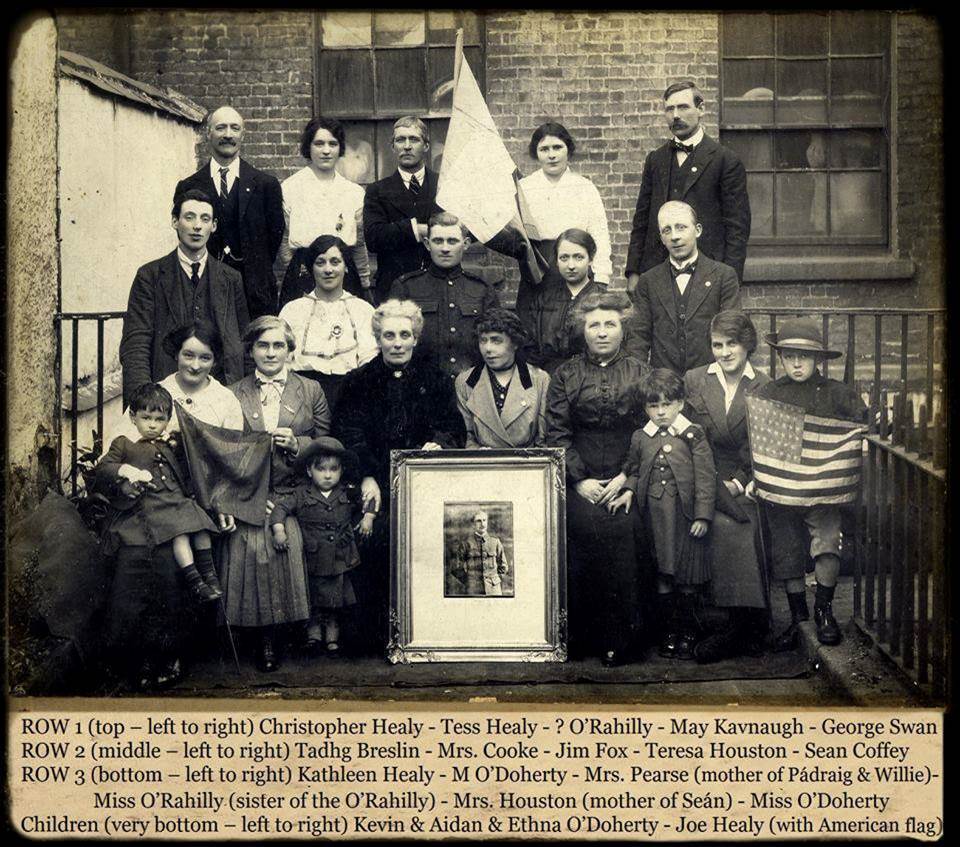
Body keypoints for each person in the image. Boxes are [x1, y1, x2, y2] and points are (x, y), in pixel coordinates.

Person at [100, 323, 243, 691]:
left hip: (193, 501)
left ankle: (170, 650)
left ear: (215, 359)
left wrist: (221, 502)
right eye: (188, 355)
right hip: (144, 505)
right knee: (136, 564)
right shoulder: (155, 395)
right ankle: (136, 655)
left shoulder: (225, 400)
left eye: (205, 357)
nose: (195, 365)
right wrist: (126, 479)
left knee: (169, 568)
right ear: (176, 355)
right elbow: (115, 455)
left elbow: (231, 461)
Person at [334, 299, 466, 653]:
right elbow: (349, 432)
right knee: (374, 536)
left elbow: (452, 428)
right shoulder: (358, 382)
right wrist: (364, 475)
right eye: (389, 335)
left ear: (415, 339)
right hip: (374, 484)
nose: (396, 342)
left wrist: (437, 446)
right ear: (377, 338)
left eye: (404, 335)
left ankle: (427, 632)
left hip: (424, 484)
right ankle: (376, 636)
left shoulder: (436, 380)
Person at [220, 315, 331, 672]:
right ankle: (264, 636)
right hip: (250, 491)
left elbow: (326, 444)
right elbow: (224, 451)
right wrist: (248, 493)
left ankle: (295, 629)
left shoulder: (310, 390)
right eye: (263, 345)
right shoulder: (233, 393)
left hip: (296, 489)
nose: (271, 353)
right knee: (252, 542)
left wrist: (298, 444)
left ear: (289, 350)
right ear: (251, 351)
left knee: (291, 538)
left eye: (278, 345)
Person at [545, 290, 650, 666]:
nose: (602, 332)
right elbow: (556, 433)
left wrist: (628, 478)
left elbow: (648, 430)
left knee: (624, 528)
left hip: (626, 474)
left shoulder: (640, 372)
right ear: (582, 330)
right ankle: (580, 635)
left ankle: (621, 638)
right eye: (594, 325)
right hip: (580, 477)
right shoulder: (566, 374)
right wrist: (578, 481)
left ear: (623, 329)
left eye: (610, 324)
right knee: (583, 526)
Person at [753, 318, 868, 649]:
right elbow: (757, 442)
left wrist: (861, 443)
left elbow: (862, 429)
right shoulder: (767, 393)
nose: (797, 363)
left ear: (818, 359)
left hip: (823, 492)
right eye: (789, 356)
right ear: (781, 358)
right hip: (782, 490)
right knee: (786, 551)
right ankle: (798, 619)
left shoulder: (839, 395)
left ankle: (824, 611)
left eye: (804, 356)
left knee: (828, 542)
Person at [683, 310, 771, 663]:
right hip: (700, 475)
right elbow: (685, 432)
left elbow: (761, 443)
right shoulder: (694, 379)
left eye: (732, 343)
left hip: (742, 478)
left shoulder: (763, 384)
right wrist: (709, 482)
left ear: (747, 344)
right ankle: (723, 625)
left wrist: (739, 480)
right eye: (717, 345)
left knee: (739, 524)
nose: (724, 352)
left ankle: (744, 623)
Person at [616, 369, 716, 660]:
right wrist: (629, 491)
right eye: (653, 406)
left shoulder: (693, 434)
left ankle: (688, 631)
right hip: (653, 517)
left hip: (683, 518)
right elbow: (634, 470)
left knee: (685, 576)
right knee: (662, 573)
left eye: (666, 405)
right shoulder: (640, 437)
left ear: (680, 404)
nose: (660, 412)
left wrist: (702, 516)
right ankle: (668, 631)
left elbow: (706, 477)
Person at [120, 189, 250, 409]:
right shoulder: (150, 276)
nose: (197, 226)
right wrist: (145, 400)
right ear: (175, 221)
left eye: (205, 219)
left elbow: (245, 341)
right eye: (189, 217)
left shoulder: (231, 278)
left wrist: (242, 400)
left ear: (214, 226)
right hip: (165, 397)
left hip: (220, 397)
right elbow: (136, 343)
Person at [97, 383, 221, 601]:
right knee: (180, 532)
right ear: (133, 418)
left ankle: (210, 576)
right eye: (146, 418)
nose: (152, 425)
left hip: (177, 500)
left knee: (201, 527)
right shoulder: (125, 444)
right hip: (153, 503)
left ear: (167, 420)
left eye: (159, 419)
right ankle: (195, 581)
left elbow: (189, 470)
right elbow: (104, 468)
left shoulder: (171, 444)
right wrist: (126, 472)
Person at [625, 81, 750, 291]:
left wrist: (730, 281)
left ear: (701, 109)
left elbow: (737, 229)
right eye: (669, 109)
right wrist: (634, 272)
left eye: (683, 107)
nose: (675, 115)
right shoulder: (655, 160)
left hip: (707, 275)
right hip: (657, 273)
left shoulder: (725, 160)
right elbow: (642, 221)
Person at [175, 105, 285, 320]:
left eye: (234, 128)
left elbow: (273, 240)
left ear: (243, 135)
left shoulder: (265, 185)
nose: (227, 135)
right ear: (208, 133)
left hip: (254, 295)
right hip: (203, 292)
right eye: (221, 128)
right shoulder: (188, 186)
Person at [270, 437, 375, 655]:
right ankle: (314, 637)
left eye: (333, 469)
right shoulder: (301, 494)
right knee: (314, 598)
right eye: (321, 469)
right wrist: (279, 530)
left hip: (340, 557)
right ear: (309, 471)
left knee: (336, 600)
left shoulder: (348, 492)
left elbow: (370, 501)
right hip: (313, 557)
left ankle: (333, 639)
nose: (328, 475)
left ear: (341, 470)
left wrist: (369, 518)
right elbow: (280, 509)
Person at [629, 200, 741, 375]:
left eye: (681, 227)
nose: (674, 236)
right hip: (663, 386)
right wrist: (641, 382)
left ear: (697, 230)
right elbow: (638, 339)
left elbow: (731, 333)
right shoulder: (648, 281)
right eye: (667, 230)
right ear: (661, 238)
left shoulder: (724, 276)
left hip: (709, 380)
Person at [516, 123, 613, 316]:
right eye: (544, 149)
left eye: (557, 147)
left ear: (568, 149)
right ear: (536, 153)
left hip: (576, 269)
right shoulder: (524, 188)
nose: (551, 155)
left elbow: (599, 234)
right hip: (539, 271)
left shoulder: (584, 187)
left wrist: (601, 277)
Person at [390, 211, 500, 378]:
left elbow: (497, 342)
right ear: (427, 244)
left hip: (471, 386)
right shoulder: (406, 288)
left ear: (466, 244)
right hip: (421, 387)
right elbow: (392, 344)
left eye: (452, 241)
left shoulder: (482, 289)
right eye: (438, 241)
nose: (445, 248)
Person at [278, 117, 372, 308]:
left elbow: (359, 243)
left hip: (344, 272)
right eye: (319, 144)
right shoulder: (290, 188)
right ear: (308, 147)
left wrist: (363, 280)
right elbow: (284, 240)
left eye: (333, 144)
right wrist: (299, 268)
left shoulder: (353, 192)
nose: (326, 150)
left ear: (340, 148)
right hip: (303, 273)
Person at [278, 234, 378, 413]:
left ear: (346, 266)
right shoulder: (292, 310)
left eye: (335, 262)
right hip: (303, 394)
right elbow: (284, 362)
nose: (328, 269)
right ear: (311, 268)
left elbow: (368, 361)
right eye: (320, 262)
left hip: (351, 394)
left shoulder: (362, 309)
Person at [363, 116, 442, 304]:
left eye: (414, 139)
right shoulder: (377, 190)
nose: (407, 146)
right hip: (394, 288)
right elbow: (374, 238)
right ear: (393, 147)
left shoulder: (445, 184)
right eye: (400, 140)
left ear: (426, 146)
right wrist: (417, 230)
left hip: (438, 286)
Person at [455, 308, 550, 449]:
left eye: (496, 341)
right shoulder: (465, 382)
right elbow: (466, 437)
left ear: (515, 343)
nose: (488, 349)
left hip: (527, 466)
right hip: (482, 465)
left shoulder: (539, 379)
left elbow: (543, 441)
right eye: (483, 341)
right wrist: (477, 453)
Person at [520, 228, 609, 373]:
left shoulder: (603, 300)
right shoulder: (544, 300)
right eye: (564, 258)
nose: (571, 265)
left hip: (592, 379)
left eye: (578, 257)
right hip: (550, 379)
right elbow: (531, 349)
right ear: (556, 261)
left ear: (591, 259)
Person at [449, 511, 509, 597]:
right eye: (478, 521)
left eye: (484, 520)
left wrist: (494, 579)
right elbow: (456, 568)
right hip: (473, 590)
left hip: (494, 590)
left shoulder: (495, 542)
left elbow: (504, 567)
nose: (482, 524)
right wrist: (470, 582)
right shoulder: (466, 544)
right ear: (473, 524)